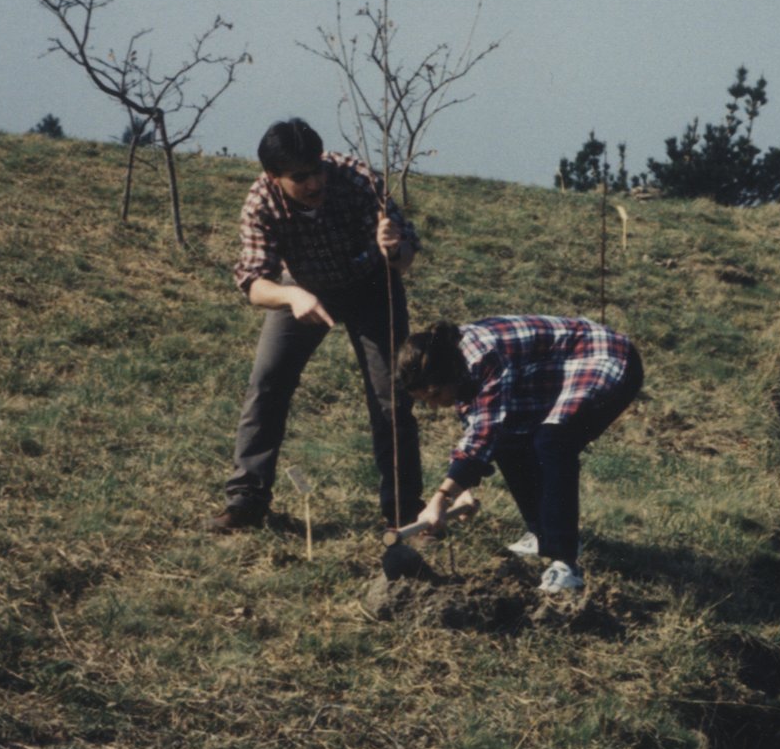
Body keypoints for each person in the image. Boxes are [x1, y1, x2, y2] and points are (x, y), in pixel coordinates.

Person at [214, 118, 423, 532]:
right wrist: (293, 297)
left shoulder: (357, 178)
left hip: (372, 284)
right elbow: (254, 284)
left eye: (317, 170)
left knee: (391, 397)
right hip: (302, 288)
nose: (314, 183)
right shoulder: (260, 202)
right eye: (300, 177)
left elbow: (406, 255)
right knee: (267, 384)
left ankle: (404, 512)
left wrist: (394, 249)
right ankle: (246, 502)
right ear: (272, 176)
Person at [395, 316, 643, 593]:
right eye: (426, 401)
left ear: (447, 374)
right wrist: (462, 489)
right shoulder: (454, 363)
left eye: (435, 395)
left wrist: (441, 497)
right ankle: (542, 533)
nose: (435, 405)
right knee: (508, 439)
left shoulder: (483, 358)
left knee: (553, 441)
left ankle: (565, 561)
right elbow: (479, 428)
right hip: (552, 371)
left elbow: (484, 433)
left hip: (606, 355)